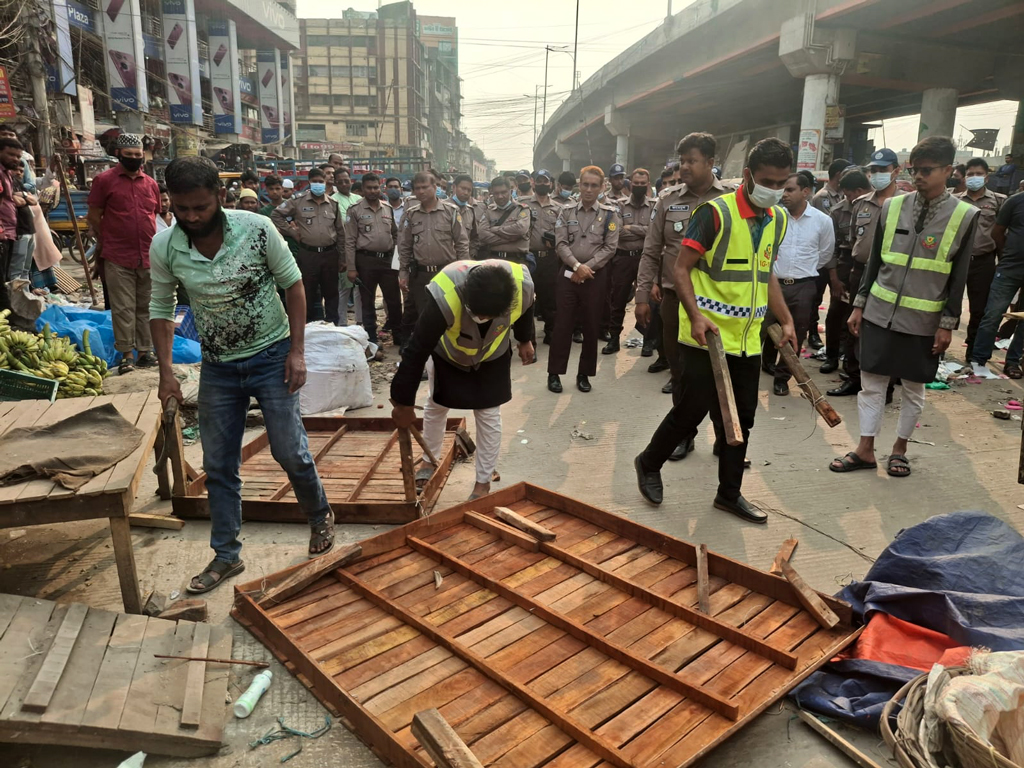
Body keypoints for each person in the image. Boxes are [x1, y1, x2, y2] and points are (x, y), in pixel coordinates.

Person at [150, 156, 335, 593]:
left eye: (200, 207)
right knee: (218, 464)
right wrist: (166, 373)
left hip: (273, 357)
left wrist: (297, 352)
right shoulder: (165, 246)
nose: (192, 217)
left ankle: (319, 515)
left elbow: (293, 285)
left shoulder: (257, 229)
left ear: (220, 195)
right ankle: (226, 554)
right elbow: (160, 309)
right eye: (182, 208)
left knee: (289, 451)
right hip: (218, 366)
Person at [633, 137, 797, 523]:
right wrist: (695, 316)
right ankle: (649, 462)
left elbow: (765, 273)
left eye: (782, 183)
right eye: (767, 182)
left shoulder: (778, 219)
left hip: (748, 338)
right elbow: (681, 269)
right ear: (747, 175)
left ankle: (729, 494)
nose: (774, 190)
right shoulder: (715, 213)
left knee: (741, 418)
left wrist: (785, 319)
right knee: (691, 410)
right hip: (705, 335)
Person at [831, 136, 978, 478]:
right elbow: (874, 262)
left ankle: (899, 450)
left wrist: (947, 323)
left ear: (948, 170)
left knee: (913, 388)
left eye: (927, 170)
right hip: (879, 312)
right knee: (871, 383)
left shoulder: (965, 215)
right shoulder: (893, 207)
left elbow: (959, 276)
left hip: (923, 321)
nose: (919, 177)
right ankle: (865, 449)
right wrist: (859, 305)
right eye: (915, 170)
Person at [392, 260, 534, 500]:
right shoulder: (444, 295)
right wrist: (403, 401)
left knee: (488, 413)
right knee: (436, 404)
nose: (481, 318)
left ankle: (483, 482)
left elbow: (526, 307)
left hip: (492, 353)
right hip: (449, 353)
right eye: (478, 314)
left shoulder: (522, 284)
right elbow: (417, 349)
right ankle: (428, 460)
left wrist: (524, 339)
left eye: (488, 316)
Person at [635, 132, 733, 428]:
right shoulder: (668, 200)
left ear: (710, 162)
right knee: (679, 371)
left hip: (719, 300)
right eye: (683, 161)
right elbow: (651, 250)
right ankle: (684, 434)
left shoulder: (730, 198)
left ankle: (724, 433)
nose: (685, 167)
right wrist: (641, 296)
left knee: (720, 371)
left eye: (692, 161)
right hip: (674, 301)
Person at [828, 148, 904, 397]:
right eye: (874, 170)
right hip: (860, 271)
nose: (877, 174)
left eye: (883, 170)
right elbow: (853, 241)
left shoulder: (906, 204)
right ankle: (853, 377)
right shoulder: (860, 204)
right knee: (854, 323)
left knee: (887, 328)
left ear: (896, 171)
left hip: (891, 273)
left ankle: (886, 385)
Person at [86, 133, 161, 373]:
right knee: (123, 307)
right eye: (129, 155)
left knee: (146, 306)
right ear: (118, 154)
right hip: (117, 254)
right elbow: (94, 216)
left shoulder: (150, 184)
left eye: (138, 155)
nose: (134, 158)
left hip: (147, 254)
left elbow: (155, 215)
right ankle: (127, 354)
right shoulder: (104, 180)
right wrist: (106, 238)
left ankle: (145, 352)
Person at [546, 165, 621, 394]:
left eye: (594, 185)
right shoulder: (566, 211)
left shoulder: (610, 214)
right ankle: (554, 373)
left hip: (595, 276)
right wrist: (577, 266)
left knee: (591, 325)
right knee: (563, 325)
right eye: (585, 184)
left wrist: (587, 268)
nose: (589, 189)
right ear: (579, 185)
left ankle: (584, 374)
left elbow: (610, 248)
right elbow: (560, 243)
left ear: (602, 187)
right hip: (568, 274)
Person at [760, 173, 835, 395]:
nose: (784, 194)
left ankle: (782, 377)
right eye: (782, 190)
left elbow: (825, 253)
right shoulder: (772, 217)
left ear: (805, 192)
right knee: (764, 328)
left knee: (796, 332)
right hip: (772, 284)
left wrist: (804, 270)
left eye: (790, 189)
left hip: (803, 286)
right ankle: (766, 363)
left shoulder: (822, 221)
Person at [398, 171, 470, 342]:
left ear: (435, 187)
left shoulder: (451, 211)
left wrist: (464, 271)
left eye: (425, 187)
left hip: (446, 273)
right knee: (424, 316)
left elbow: (462, 243)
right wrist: (403, 273)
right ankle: (428, 353)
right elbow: (405, 246)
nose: (421, 191)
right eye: (417, 188)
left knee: (450, 313)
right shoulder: (411, 214)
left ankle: (449, 350)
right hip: (421, 275)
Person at [271, 167, 345, 324]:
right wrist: (291, 232)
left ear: (325, 182)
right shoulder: (298, 201)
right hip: (308, 254)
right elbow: (276, 215)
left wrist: (343, 258)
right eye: (315, 181)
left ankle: (332, 325)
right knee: (308, 292)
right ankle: (307, 327)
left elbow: (340, 231)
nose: (318, 184)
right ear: (309, 182)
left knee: (331, 293)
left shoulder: (333, 204)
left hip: (330, 254)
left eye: (321, 181)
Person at [969, 184, 1024, 378]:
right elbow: (997, 232)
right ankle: (979, 360)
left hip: (1010, 265)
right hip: (1010, 268)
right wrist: (1006, 255)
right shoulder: (1015, 201)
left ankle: (1013, 362)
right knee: (993, 314)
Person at [821, 170, 872, 374]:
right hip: (845, 265)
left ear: (859, 191)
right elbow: (831, 248)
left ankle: (853, 364)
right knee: (836, 313)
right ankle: (832, 356)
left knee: (861, 317)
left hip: (869, 268)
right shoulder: (838, 211)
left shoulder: (882, 206)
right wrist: (834, 278)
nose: (847, 199)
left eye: (849, 195)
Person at [956, 158, 1005, 362]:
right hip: (957, 261)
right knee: (948, 305)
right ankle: (938, 350)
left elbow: (1003, 232)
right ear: (964, 177)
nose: (974, 178)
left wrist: (1002, 261)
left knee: (979, 309)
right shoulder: (954, 200)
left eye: (978, 174)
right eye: (970, 174)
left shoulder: (999, 201)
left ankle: (972, 352)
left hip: (983, 261)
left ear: (986, 177)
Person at [345, 173, 400, 346]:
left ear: (380, 188)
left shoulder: (387, 208)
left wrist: (396, 261)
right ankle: (371, 337)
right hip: (365, 261)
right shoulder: (355, 210)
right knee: (367, 301)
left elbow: (395, 235)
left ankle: (399, 336)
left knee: (394, 300)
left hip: (387, 261)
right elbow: (349, 241)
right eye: (369, 188)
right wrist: (351, 267)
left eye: (375, 187)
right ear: (363, 189)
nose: (373, 191)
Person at [602, 168, 654, 355]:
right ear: (630, 183)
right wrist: (643, 231)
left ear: (648, 184)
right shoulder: (619, 205)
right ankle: (614, 338)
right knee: (618, 300)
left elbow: (654, 233)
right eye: (636, 183)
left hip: (645, 259)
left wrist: (631, 227)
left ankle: (648, 340)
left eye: (642, 184)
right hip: (623, 259)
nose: (639, 186)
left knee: (647, 300)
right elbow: (617, 232)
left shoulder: (654, 206)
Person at [521, 169, 562, 344]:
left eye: (545, 181)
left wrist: (555, 241)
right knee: (527, 299)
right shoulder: (522, 205)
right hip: (529, 257)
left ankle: (551, 332)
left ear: (550, 184)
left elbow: (563, 232)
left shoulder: (558, 208)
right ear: (533, 182)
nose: (542, 184)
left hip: (550, 258)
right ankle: (529, 338)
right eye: (539, 181)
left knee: (550, 298)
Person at [476, 176, 531, 264]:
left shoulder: (521, 209)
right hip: (494, 260)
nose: (500, 196)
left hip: (517, 260)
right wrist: (513, 238)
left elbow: (520, 229)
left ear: (510, 191)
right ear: (492, 193)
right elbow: (482, 234)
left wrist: (494, 230)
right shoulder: (489, 211)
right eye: (496, 193)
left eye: (503, 192)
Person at [450, 174, 480, 257]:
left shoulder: (470, 211)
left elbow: (475, 237)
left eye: (469, 190)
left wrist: (472, 253)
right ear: (454, 187)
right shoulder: (443, 208)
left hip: (465, 258)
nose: (466, 193)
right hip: (448, 259)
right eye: (463, 189)